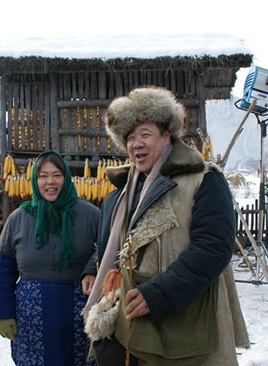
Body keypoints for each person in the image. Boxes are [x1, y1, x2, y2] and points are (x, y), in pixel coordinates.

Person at [83, 86, 250, 366]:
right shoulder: (123, 193)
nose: (136, 143)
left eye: (145, 134)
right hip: (132, 322)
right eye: (130, 137)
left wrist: (158, 293)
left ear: (167, 134)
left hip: (189, 320)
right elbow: (116, 247)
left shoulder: (205, 180)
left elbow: (213, 248)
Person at [0, 150, 100, 366]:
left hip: (79, 314)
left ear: (66, 178)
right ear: (35, 180)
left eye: (57, 175)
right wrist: (3, 313)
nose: (50, 182)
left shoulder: (90, 214)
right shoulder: (18, 219)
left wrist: (91, 269)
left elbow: (109, 248)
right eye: (43, 175)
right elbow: (3, 268)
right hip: (32, 316)